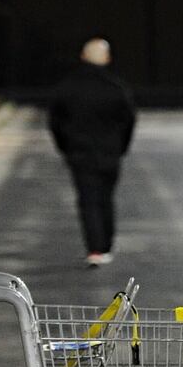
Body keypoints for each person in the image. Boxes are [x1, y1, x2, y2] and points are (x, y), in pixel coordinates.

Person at [48, 37, 136, 267]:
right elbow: (128, 121)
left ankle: (95, 247)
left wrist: (65, 147)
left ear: (83, 57)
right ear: (107, 58)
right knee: (106, 198)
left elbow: (55, 121)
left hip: (79, 152)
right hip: (110, 153)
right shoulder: (116, 88)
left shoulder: (67, 88)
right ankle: (106, 243)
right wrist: (121, 147)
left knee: (88, 199)